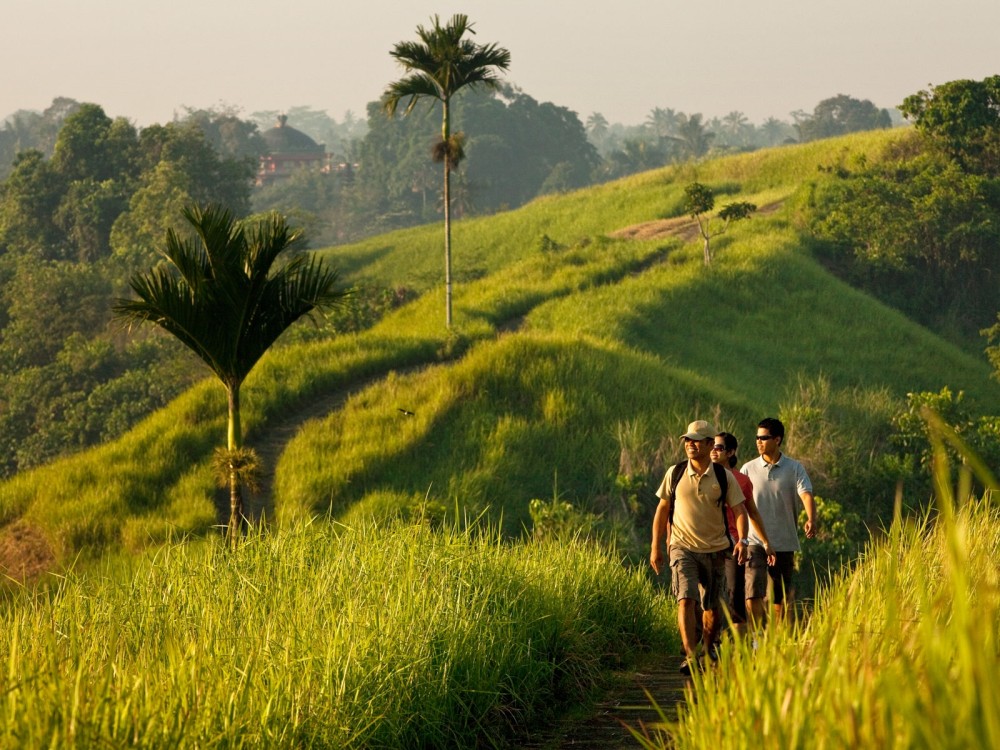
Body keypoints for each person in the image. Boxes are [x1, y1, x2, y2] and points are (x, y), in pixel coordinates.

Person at [650, 420, 750, 674]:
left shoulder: (723, 477)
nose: (690, 445)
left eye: (696, 440)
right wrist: (656, 547)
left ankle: (707, 647)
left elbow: (740, 510)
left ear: (708, 444)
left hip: (716, 549)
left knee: (712, 607)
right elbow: (662, 509)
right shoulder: (675, 473)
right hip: (681, 546)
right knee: (685, 599)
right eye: (687, 440)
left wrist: (743, 541)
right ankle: (691, 656)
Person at [740, 417, 817, 628]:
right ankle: (755, 637)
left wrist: (811, 518)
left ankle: (776, 640)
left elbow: (806, 494)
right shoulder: (748, 468)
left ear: (777, 439)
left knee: (779, 597)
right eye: (757, 438)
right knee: (753, 591)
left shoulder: (794, 468)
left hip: (783, 541)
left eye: (764, 438)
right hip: (754, 540)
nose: (758, 442)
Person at [711, 432, 775, 633]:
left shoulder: (742, 481)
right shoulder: (702, 476)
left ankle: (739, 648)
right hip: (705, 542)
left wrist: (765, 542)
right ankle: (707, 644)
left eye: (719, 448)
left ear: (730, 452)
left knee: (734, 596)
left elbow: (752, 513)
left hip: (732, 544)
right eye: (711, 446)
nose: (713, 451)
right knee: (707, 596)